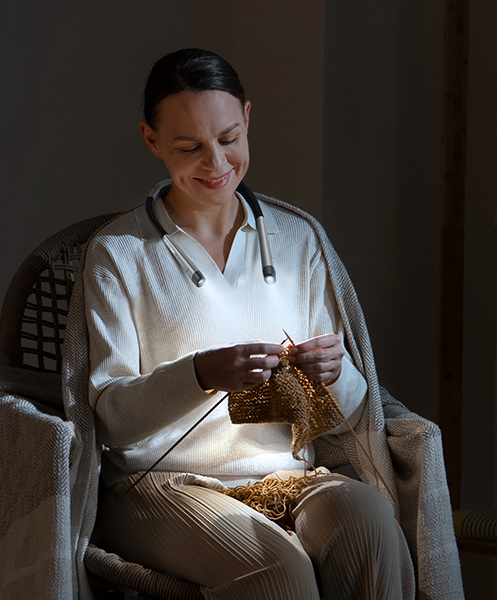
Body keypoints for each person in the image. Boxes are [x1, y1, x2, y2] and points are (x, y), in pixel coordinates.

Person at [85, 48, 415, 600]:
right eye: (189, 146)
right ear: (151, 140)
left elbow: (353, 416)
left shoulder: (298, 241)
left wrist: (335, 374)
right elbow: (110, 419)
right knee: (278, 572)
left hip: (288, 477)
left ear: (248, 121)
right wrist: (200, 373)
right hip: (160, 487)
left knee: (373, 526)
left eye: (229, 138)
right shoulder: (119, 253)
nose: (215, 162)